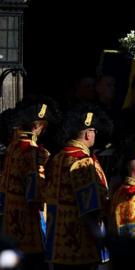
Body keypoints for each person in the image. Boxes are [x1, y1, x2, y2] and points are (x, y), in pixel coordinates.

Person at [43, 103, 112, 269]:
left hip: (57, 244)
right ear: (88, 134)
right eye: (94, 131)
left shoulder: (58, 157)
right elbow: (90, 207)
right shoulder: (83, 161)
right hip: (80, 245)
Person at [0, 96, 60, 270]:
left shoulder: (13, 146)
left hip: (12, 221)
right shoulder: (33, 152)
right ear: (37, 126)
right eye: (43, 126)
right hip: (29, 227)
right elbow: (35, 193)